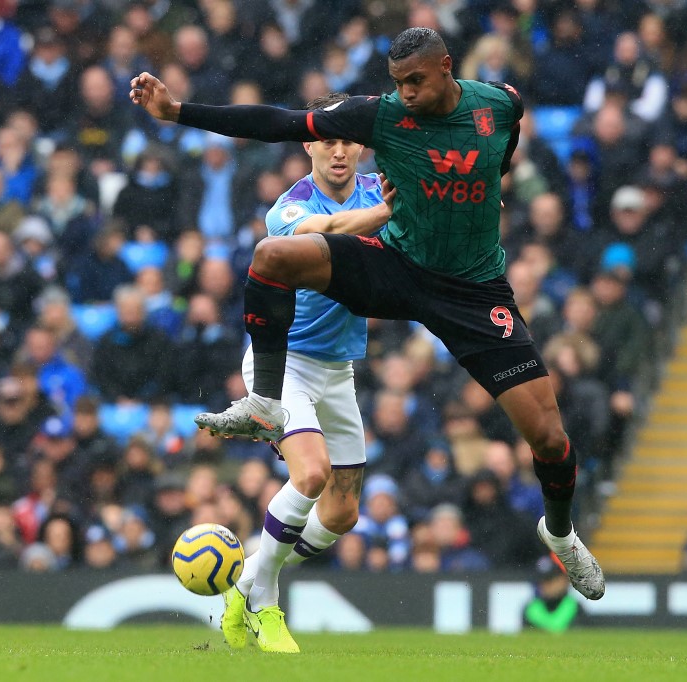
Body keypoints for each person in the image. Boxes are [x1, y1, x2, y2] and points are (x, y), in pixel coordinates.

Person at [131, 27, 604, 602]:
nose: (404, 93)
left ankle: (559, 534)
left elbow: (500, 152)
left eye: (416, 81)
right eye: (397, 82)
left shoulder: (499, 104)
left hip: (474, 293)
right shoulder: (376, 117)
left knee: (550, 439)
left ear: (447, 67)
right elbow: (277, 122)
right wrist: (177, 111)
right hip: (397, 264)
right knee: (274, 255)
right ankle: (265, 400)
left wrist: (485, 185)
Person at [219, 93, 395, 654]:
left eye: (348, 140)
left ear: (361, 146)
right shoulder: (288, 207)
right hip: (284, 363)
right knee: (311, 475)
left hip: (338, 368)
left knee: (341, 513)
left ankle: (246, 577)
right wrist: (399, 211)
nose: (339, 151)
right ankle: (263, 599)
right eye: (328, 140)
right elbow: (330, 234)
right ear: (309, 145)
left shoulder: (376, 187)